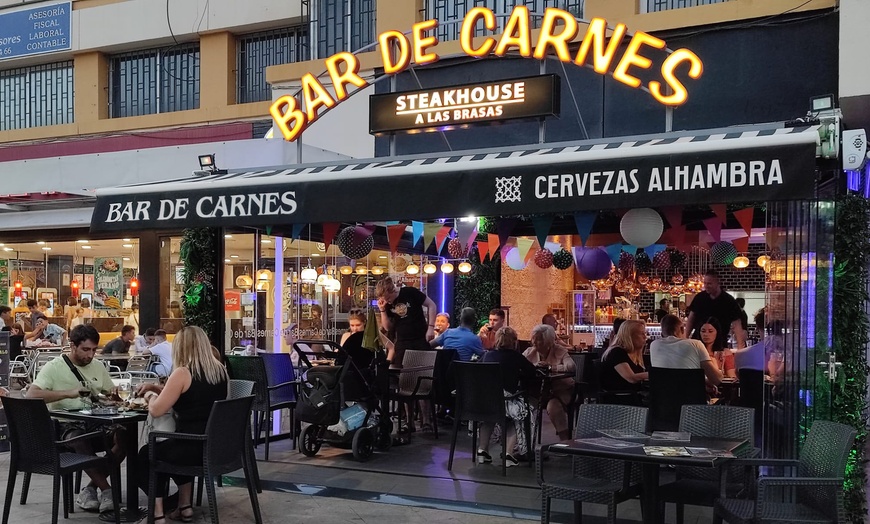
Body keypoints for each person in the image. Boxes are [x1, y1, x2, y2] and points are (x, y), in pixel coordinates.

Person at [135, 326, 228, 524]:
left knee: (147, 454)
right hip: (214, 447)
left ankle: (157, 514)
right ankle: (184, 507)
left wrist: (150, 395)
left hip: (190, 448)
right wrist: (156, 387)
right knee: (169, 449)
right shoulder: (219, 370)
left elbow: (156, 410)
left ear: (181, 347)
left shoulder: (183, 373)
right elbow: (190, 393)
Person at [26, 324, 122, 513]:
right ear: (73, 346)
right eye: (86, 349)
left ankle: (91, 488)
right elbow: (31, 395)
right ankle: (107, 490)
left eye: (94, 350)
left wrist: (114, 398)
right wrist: (68, 393)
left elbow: (109, 393)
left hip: (93, 422)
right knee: (79, 438)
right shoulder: (54, 367)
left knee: (125, 436)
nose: (90, 355)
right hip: (64, 426)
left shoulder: (97, 366)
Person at [480, 326, 537, 465]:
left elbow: (477, 369)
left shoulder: (487, 355)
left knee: (488, 420)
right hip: (505, 401)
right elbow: (532, 372)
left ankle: (482, 450)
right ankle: (508, 454)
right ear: (514, 341)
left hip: (484, 403)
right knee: (518, 415)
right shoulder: (516, 357)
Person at [523, 324, 575, 441]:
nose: (534, 342)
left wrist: (551, 367)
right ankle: (524, 444)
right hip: (538, 392)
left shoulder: (559, 350)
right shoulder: (530, 352)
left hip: (561, 390)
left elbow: (571, 367)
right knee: (521, 406)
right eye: (533, 338)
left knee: (553, 407)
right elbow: (519, 366)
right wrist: (534, 366)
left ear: (548, 341)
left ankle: (565, 441)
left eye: (538, 339)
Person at [375, 276, 437, 368]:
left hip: (420, 338)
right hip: (402, 342)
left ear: (393, 291)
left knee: (423, 369)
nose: (388, 301)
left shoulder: (410, 292)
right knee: (401, 370)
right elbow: (387, 327)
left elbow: (431, 305)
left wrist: (431, 327)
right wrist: (382, 310)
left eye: (388, 298)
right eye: (385, 299)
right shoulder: (387, 304)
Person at [649, 314, 723, 387]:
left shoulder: (654, 345)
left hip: (663, 394)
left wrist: (705, 382)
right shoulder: (696, 344)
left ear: (662, 333)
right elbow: (716, 379)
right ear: (682, 329)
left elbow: (672, 375)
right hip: (692, 394)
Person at [685, 269, 746, 349]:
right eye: (705, 283)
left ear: (717, 283)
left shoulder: (728, 300)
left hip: (719, 343)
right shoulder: (700, 298)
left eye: (709, 283)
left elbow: (737, 324)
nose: (706, 286)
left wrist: (740, 345)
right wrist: (685, 338)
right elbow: (691, 319)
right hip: (698, 341)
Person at [598, 320, 648, 401]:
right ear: (630, 336)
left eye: (645, 333)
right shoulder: (617, 352)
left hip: (633, 396)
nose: (645, 337)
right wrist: (654, 374)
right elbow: (631, 378)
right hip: (618, 399)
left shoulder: (635, 353)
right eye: (642, 334)